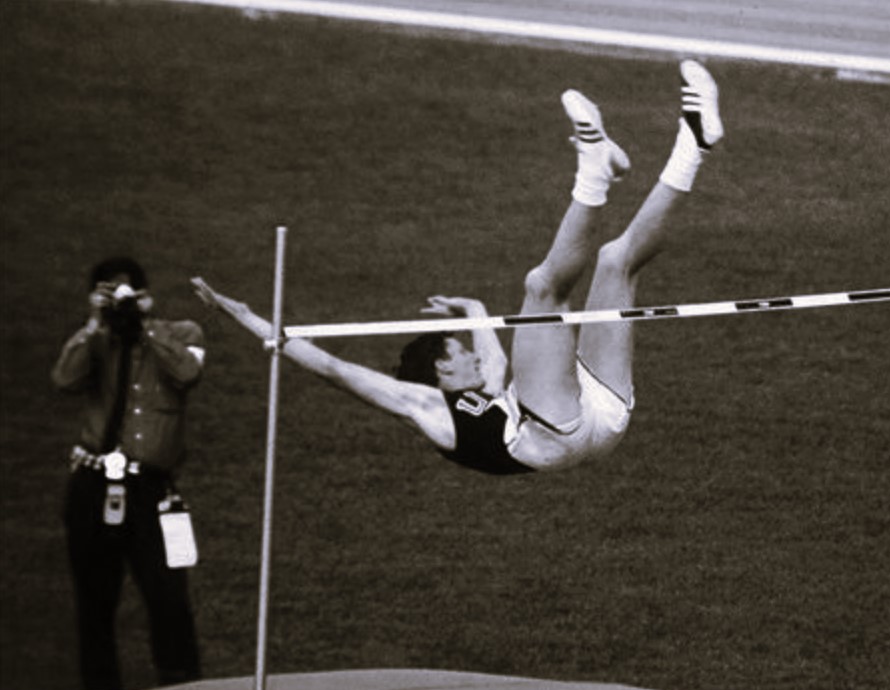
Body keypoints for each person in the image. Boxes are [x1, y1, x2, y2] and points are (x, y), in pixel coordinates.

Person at [194, 60, 723, 475]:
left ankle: (692, 141)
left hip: (593, 419)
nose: (472, 356)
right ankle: (592, 172)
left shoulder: (489, 391)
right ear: (442, 373)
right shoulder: (426, 408)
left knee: (618, 262)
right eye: (460, 355)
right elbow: (335, 370)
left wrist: (473, 310)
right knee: (542, 289)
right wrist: (255, 323)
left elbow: (494, 350)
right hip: (555, 428)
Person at [52, 257, 205, 690]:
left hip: (153, 491)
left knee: (170, 599)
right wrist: (96, 323)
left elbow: (187, 373)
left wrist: (146, 324)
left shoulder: (181, 334)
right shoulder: (97, 340)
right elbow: (64, 379)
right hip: (92, 486)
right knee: (95, 603)